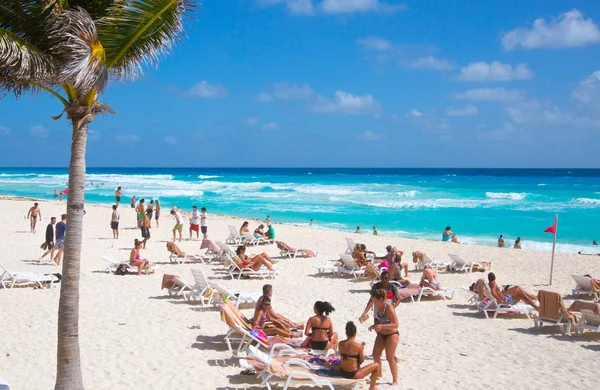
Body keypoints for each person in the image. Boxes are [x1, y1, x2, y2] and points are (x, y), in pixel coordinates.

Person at [369, 288, 399, 386]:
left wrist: (382, 326)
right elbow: (380, 321)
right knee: (375, 354)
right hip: (382, 333)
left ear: (381, 300)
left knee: (389, 358)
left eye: (375, 301)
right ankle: (379, 373)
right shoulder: (378, 307)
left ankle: (395, 380)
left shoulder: (389, 307)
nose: (374, 303)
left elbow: (396, 324)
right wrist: (374, 326)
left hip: (392, 334)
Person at [338, 321, 380, 389]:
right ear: (355, 333)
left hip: (342, 372)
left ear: (346, 333)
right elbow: (362, 360)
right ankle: (372, 387)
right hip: (353, 374)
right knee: (377, 365)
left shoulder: (340, 343)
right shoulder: (358, 346)